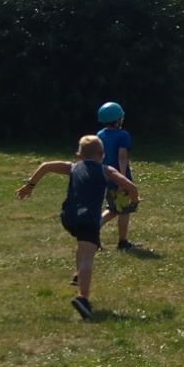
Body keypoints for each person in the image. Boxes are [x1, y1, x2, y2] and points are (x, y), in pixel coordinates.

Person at [17, 134, 138, 321]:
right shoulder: (107, 170)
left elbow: (46, 166)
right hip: (88, 219)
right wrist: (134, 202)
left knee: (83, 244)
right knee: (87, 257)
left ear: (78, 155)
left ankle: (77, 275)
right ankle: (83, 298)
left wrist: (30, 186)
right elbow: (132, 187)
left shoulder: (72, 167)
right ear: (102, 154)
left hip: (68, 217)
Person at [95, 102, 139, 251]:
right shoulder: (123, 135)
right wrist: (122, 179)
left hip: (104, 176)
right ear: (118, 119)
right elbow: (122, 157)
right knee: (124, 209)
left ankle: (94, 231)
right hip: (118, 176)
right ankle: (122, 242)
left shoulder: (99, 135)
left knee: (113, 208)